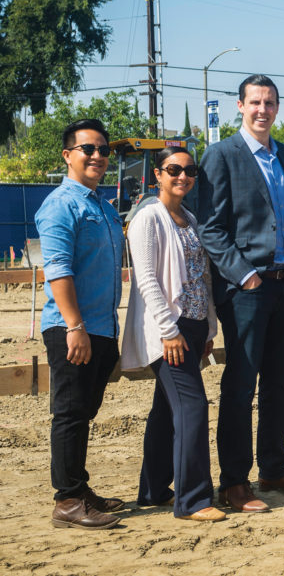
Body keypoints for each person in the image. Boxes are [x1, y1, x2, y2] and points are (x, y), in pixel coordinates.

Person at [196, 74, 284, 514]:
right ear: (240, 106)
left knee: (278, 385)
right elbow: (209, 226)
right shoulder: (220, 156)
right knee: (240, 385)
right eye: (255, 102)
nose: (262, 109)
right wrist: (243, 274)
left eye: (269, 102)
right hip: (248, 289)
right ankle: (233, 482)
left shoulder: (282, 153)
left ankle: (273, 467)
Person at [121, 147, 224, 522]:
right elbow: (146, 279)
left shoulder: (191, 219)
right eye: (174, 169)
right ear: (158, 176)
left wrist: (209, 327)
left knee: (166, 410)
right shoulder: (148, 217)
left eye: (189, 170)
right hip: (170, 330)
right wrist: (168, 330)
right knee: (192, 407)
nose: (183, 176)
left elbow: (202, 278)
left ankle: (153, 489)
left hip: (194, 328)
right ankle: (193, 500)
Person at [36, 119, 125, 530]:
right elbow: (57, 269)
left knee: (84, 411)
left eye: (103, 150)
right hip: (73, 328)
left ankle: (78, 486)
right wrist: (75, 326)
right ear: (67, 155)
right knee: (70, 413)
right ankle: (67, 500)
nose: (97, 156)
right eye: (88, 149)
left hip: (101, 328)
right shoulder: (60, 205)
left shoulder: (104, 208)